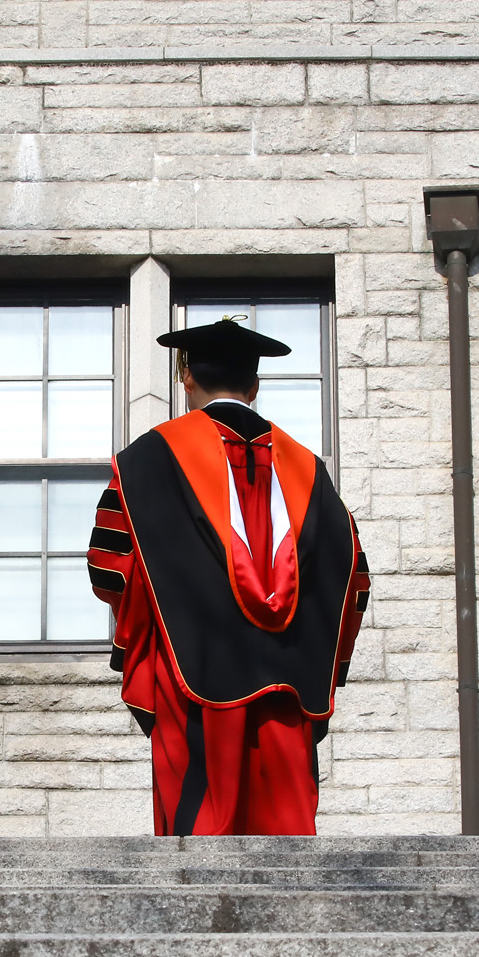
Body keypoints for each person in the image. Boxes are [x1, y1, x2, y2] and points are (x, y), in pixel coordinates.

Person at [86, 318, 370, 836]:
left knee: (197, 839)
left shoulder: (147, 461)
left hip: (191, 687)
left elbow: (111, 568)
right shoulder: (310, 471)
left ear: (186, 376)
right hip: (288, 696)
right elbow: (354, 581)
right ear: (255, 386)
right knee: (286, 845)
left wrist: (157, 622)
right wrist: (320, 659)